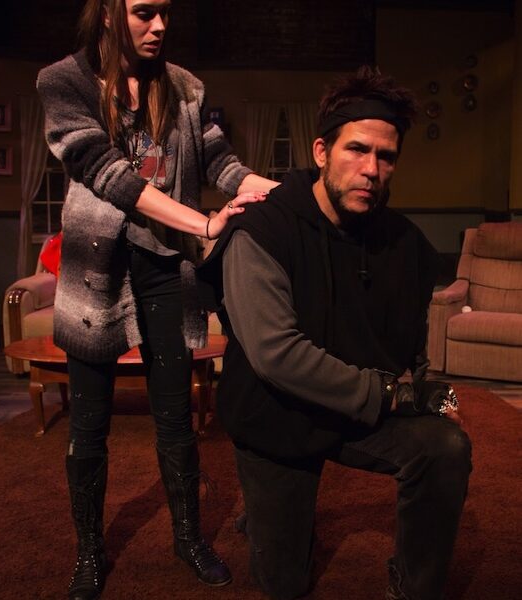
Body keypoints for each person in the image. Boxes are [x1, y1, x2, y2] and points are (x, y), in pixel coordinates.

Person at [198, 66, 472, 600]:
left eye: (386, 156)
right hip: (276, 415)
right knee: (285, 582)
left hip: (354, 408)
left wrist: (428, 392)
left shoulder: (406, 244)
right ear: (322, 151)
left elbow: (412, 344)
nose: (371, 169)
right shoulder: (263, 231)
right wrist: (393, 395)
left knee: (445, 447)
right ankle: (266, 514)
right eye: (357, 150)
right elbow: (276, 356)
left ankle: (415, 589)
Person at [36, 1, 277, 598]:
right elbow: (111, 176)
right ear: (108, 12)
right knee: (89, 424)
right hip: (97, 268)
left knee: (176, 415)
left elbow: (221, 163)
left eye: (166, 12)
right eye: (144, 12)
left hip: (166, 268)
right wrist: (204, 224)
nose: (160, 26)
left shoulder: (184, 87)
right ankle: (89, 553)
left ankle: (188, 539)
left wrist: (284, 193)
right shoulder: (63, 81)